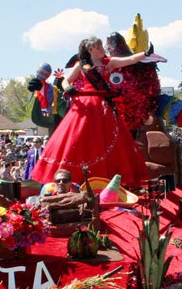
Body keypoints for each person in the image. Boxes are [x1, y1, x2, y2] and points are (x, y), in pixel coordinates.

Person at [30, 36, 149, 187]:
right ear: (90, 50)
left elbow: (130, 59)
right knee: (77, 139)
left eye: (101, 46)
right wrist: (67, 88)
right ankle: (75, 179)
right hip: (84, 106)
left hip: (103, 107)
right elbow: (66, 80)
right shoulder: (82, 65)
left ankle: (105, 180)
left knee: (104, 140)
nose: (102, 49)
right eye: (98, 47)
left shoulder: (109, 63)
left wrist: (145, 53)